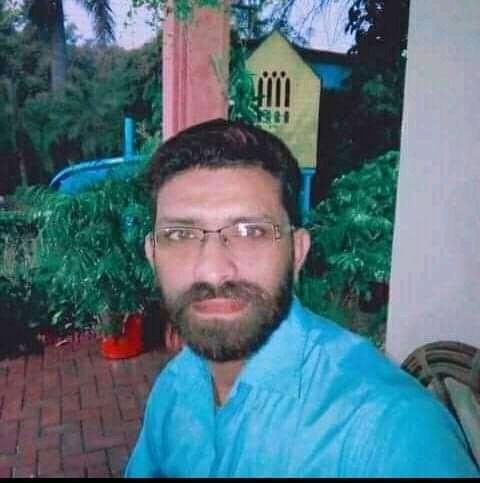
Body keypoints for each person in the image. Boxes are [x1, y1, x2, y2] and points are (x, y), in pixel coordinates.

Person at [124, 119, 479, 477]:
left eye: (250, 231)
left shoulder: (390, 433)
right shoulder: (176, 385)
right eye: (181, 234)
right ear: (153, 254)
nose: (213, 272)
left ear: (297, 252)